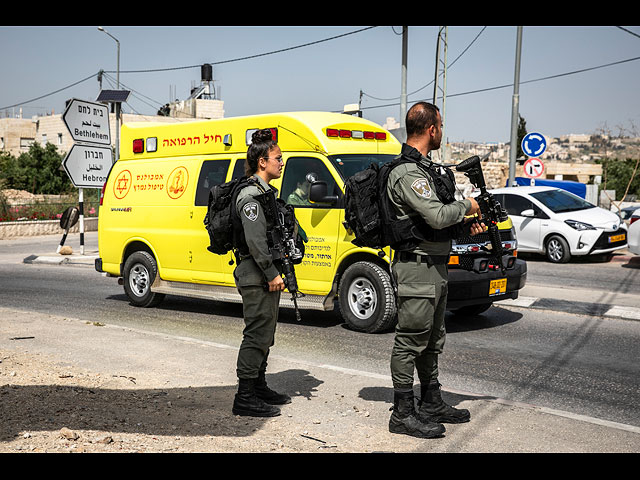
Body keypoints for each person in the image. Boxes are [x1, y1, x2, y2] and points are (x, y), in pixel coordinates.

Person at [386, 102, 485, 438]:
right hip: (416, 270)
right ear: (431, 129)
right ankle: (401, 414)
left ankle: (430, 402)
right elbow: (438, 215)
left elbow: (435, 224)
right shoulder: (408, 173)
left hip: (434, 268)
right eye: (440, 125)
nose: (442, 130)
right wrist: (468, 206)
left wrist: (462, 227)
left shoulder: (425, 169)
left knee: (431, 341)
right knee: (410, 340)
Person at [231, 128, 292, 417]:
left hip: (264, 274)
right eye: (278, 158)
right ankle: (244, 397)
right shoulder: (251, 197)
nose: (282, 162)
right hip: (256, 275)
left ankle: (258, 386)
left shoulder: (267, 194)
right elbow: (255, 242)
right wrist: (270, 273)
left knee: (266, 332)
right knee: (256, 333)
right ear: (262, 162)